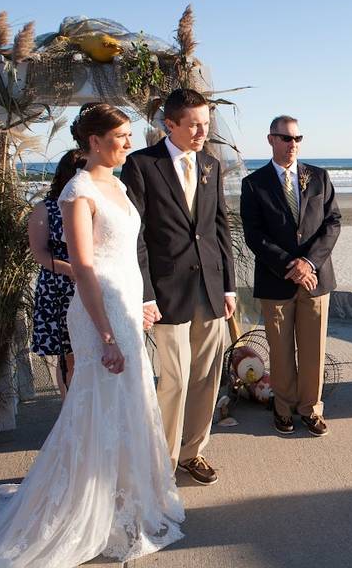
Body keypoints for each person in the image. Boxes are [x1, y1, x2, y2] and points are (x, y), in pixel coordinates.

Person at [0, 103, 183, 566]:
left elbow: (129, 253)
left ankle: (122, 494)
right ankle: (85, 503)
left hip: (125, 304)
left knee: (129, 398)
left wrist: (140, 302)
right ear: (94, 141)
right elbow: (84, 266)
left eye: (129, 135)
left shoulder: (118, 183)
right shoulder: (78, 190)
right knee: (97, 403)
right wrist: (106, 335)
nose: (129, 142)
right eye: (122, 135)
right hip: (97, 311)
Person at [121, 88, 237, 486]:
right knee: (175, 379)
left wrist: (230, 288)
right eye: (194, 124)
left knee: (207, 377)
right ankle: (164, 463)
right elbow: (134, 236)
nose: (202, 131)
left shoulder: (211, 164)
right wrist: (145, 294)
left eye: (205, 123)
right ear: (169, 125)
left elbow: (219, 226)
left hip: (210, 287)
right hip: (167, 292)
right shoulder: (141, 166)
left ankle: (193, 452)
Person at [240, 115, 341, 436]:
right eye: (285, 138)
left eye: (297, 139)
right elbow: (254, 235)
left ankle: (311, 409)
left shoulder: (320, 177)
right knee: (281, 353)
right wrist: (291, 266)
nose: (292, 144)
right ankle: (283, 409)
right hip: (275, 281)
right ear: (270, 139)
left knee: (313, 351)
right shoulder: (254, 184)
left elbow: (333, 222)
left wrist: (309, 263)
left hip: (315, 279)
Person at [27, 149, 86, 397]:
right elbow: (39, 253)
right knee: (69, 356)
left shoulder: (96, 204)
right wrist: (70, 269)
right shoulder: (47, 208)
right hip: (60, 287)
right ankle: (68, 410)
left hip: (92, 282)